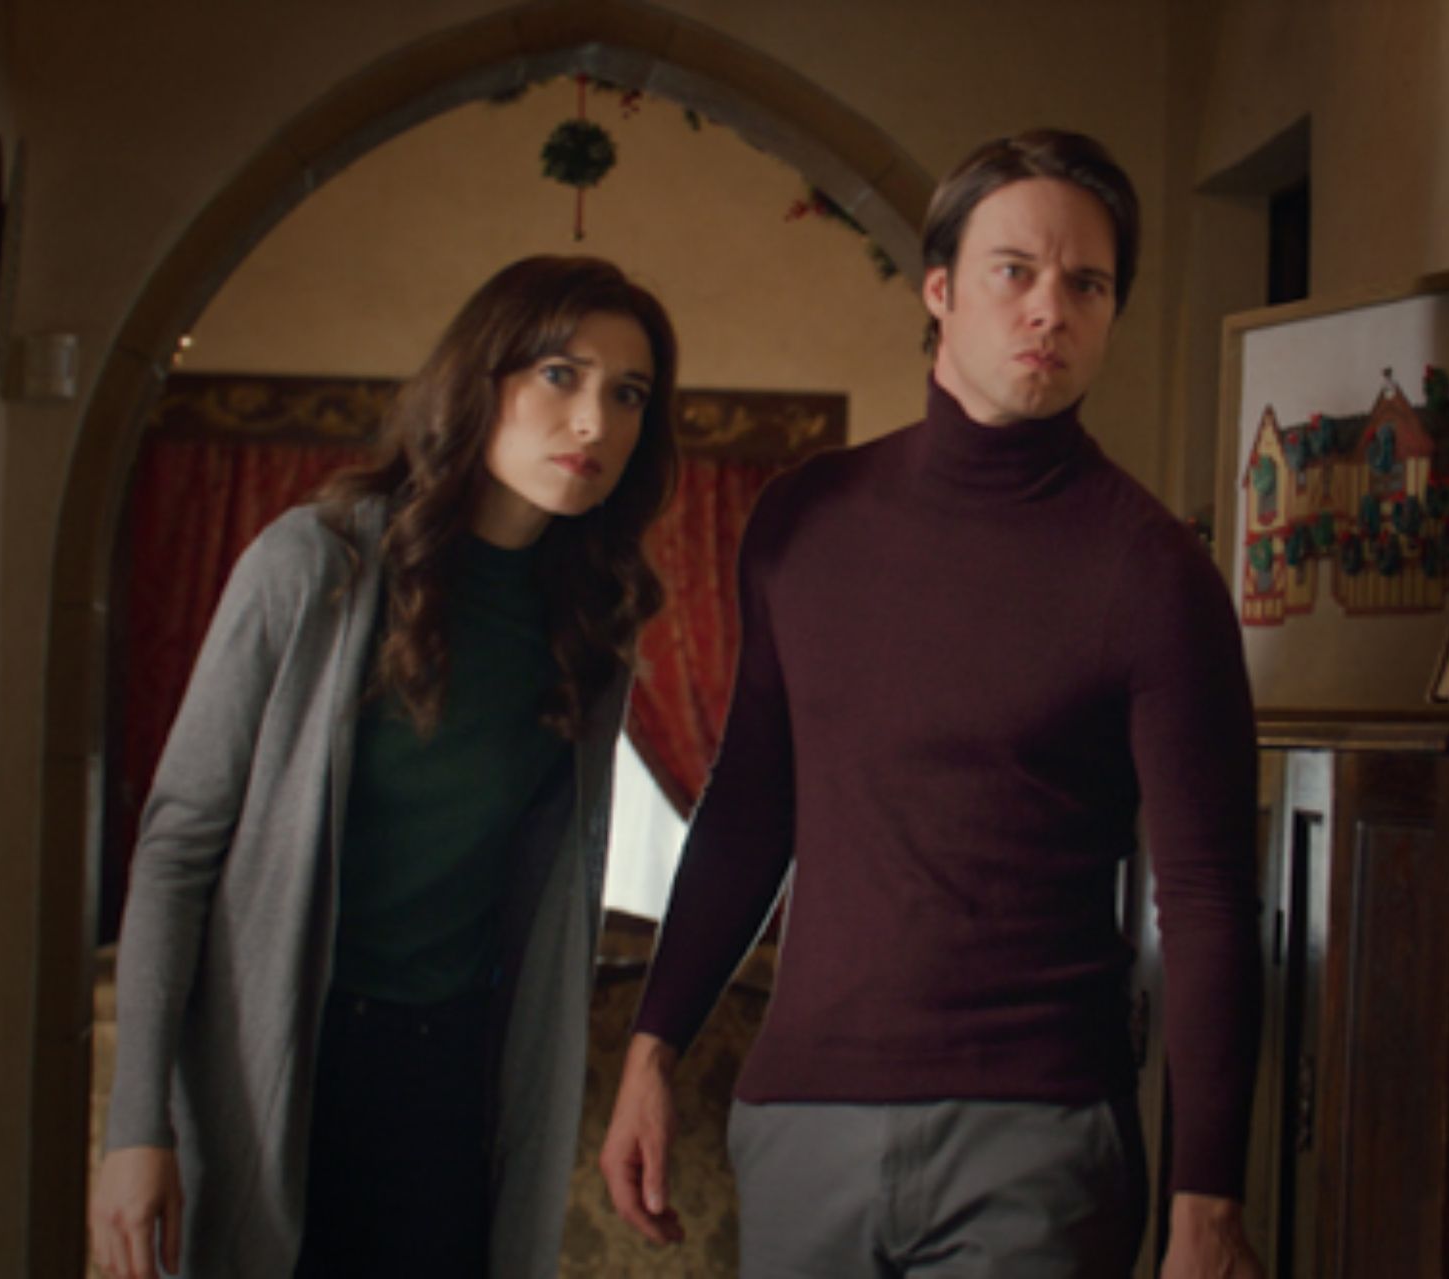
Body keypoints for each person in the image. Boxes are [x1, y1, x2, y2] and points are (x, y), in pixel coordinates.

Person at [599, 130, 1264, 1278]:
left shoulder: (1155, 572)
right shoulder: (806, 518)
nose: (1050, 308)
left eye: (1087, 284)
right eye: (1016, 270)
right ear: (942, 289)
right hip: (804, 1118)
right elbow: (751, 808)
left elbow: (1205, 899)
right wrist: (653, 1048)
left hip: (1039, 1136)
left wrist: (1206, 1200)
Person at [89, 255, 680, 1279]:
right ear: (481, 376)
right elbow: (178, 848)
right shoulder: (314, 563)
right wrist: (137, 1125)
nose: (593, 421)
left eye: (628, 394)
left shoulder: (593, 620)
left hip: (451, 1073)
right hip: (278, 1061)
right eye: (560, 375)